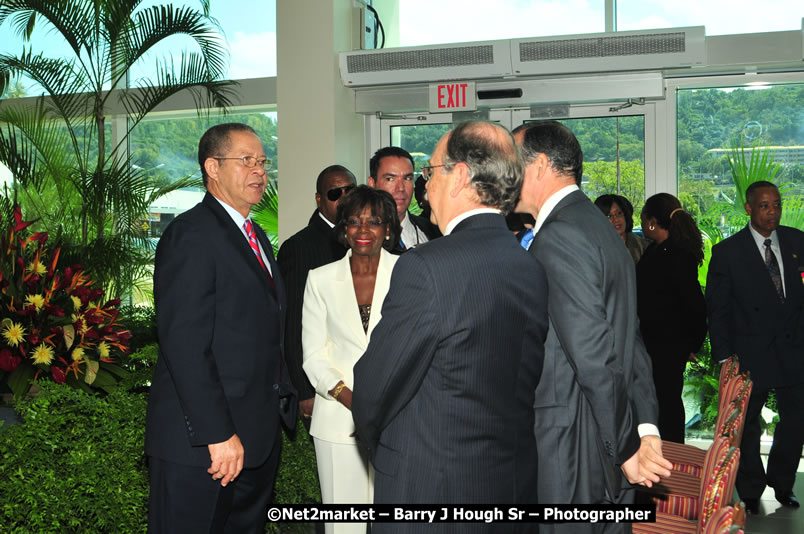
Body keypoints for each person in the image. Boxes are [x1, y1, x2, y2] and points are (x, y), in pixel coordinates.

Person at [352, 121, 549, 529]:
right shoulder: (529, 266)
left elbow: (374, 388)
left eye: (430, 171)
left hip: (431, 492)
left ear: (458, 176)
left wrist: (387, 454)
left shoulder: (426, 268)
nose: (425, 188)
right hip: (508, 487)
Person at [513, 120, 672, 534]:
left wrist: (627, 447)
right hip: (606, 435)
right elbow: (630, 340)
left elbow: (595, 356)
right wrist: (645, 427)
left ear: (541, 165)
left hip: (575, 444)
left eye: (513, 163)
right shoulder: (598, 228)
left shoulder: (559, 236)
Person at [146, 123, 296, 533]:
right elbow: (185, 345)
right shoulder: (190, 235)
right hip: (207, 447)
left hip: (255, 439)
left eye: (262, 161)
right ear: (212, 167)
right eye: (245, 160)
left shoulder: (255, 236)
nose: (259, 171)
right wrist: (218, 433)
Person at [302, 186, 400, 534]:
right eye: (354, 221)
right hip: (338, 422)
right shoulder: (320, 279)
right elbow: (313, 356)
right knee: (345, 526)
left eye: (374, 222)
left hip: (399, 420)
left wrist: (382, 405)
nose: (363, 230)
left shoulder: (410, 274)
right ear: (343, 228)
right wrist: (354, 401)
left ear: (389, 228)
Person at [706, 180, 804, 515]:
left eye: (777, 204)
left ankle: (783, 483)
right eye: (765, 205)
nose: (773, 211)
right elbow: (717, 310)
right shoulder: (728, 252)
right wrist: (723, 357)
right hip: (751, 352)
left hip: (794, 351)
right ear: (749, 208)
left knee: (796, 421)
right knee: (747, 427)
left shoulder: (797, 242)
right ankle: (750, 489)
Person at [278, 165, 356, 423]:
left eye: (350, 190)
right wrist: (303, 389)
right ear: (319, 199)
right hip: (321, 382)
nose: (344, 198)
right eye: (335, 193)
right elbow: (292, 323)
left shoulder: (363, 239)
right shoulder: (299, 247)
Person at [637, 193, 707, 444]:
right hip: (660, 344)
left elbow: (695, 305)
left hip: (666, 346)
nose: (643, 224)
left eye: (644, 218)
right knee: (663, 402)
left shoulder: (673, 255)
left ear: (653, 221)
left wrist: (691, 345)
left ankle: (672, 459)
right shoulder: (659, 250)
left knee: (667, 406)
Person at [368, 146, 440, 252]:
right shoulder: (359, 237)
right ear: (372, 184)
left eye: (407, 178)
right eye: (390, 179)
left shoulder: (433, 230)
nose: (400, 188)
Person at [594, 194, 650, 263]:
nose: (616, 219)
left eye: (619, 213)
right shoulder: (595, 249)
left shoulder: (643, 246)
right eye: (609, 216)